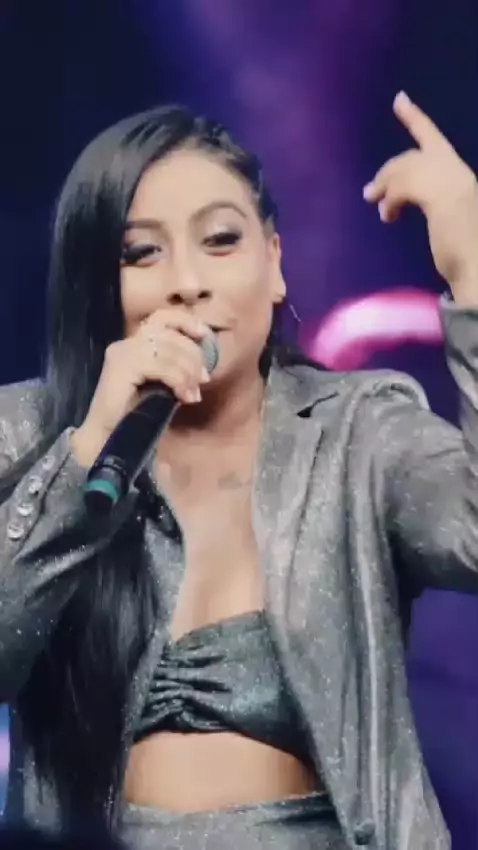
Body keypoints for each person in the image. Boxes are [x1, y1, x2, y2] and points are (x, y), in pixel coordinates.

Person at [0, 93, 477, 850]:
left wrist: (474, 274)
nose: (187, 281)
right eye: (141, 253)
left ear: (275, 264)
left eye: (220, 240)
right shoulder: (26, 434)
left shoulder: (358, 436)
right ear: (98, 286)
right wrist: (85, 454)